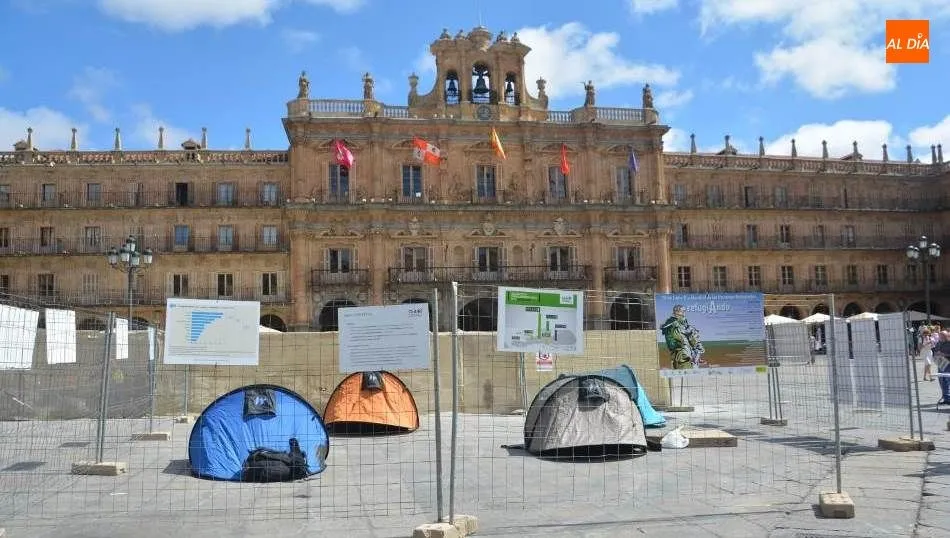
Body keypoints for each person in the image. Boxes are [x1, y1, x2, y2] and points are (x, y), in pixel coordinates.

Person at [660, 304, 705, 369]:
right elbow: (664, 327)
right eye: (682, 311)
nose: (684, 313)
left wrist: (696, 355)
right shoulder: (672, 323)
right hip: (681, 355)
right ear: (676, 312)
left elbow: (689, 337)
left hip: (685, 354)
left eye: (684, 311)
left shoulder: (682, 323)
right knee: (686, 372)